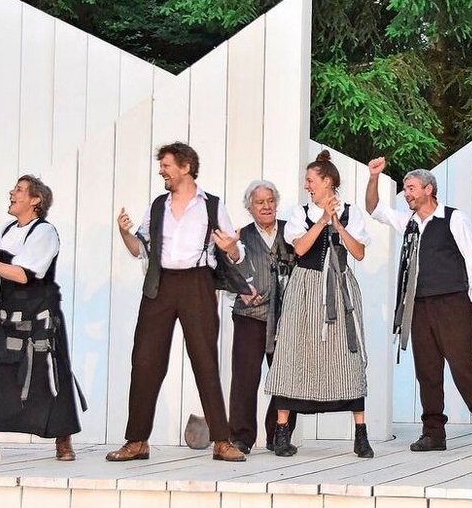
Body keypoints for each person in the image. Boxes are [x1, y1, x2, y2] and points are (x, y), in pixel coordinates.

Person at [109, 142, 247, 463]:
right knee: (145, 362)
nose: (162, 171)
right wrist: (124, 232)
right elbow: (137, 249)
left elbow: (235, 253)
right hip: (160, 283)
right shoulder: (158, 205)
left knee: (204, 361)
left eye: (167, 165)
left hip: (197, 283)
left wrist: (230, 247)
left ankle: (221, 440)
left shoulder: (211, 205)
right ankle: (137, 440)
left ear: (185, 167)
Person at [365, 157, 472, 453]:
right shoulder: (409, 222)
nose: (407, 193)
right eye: (405, 189)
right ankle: (433, 433)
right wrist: (374, 177)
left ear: (429, 189)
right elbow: (375, 208)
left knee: (463, 365)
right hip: (419, 304)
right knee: (427, 369)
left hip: (452, 302)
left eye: (411, 188)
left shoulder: (453, 218)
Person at [0, 176, 83, 463]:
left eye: (19, 190)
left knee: (49, 376)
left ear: (36, 200)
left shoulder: (45, 233)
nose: (12, 192)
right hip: (8, 314)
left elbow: (23, 274)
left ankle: (63, 441)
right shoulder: (9, 230)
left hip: (38, 318)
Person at [267, 153, 374, 458]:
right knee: (294, 352)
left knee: (346, 354)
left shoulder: (352, 214)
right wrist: (323, 220)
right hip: (306, 287)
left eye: (311, 180)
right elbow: (299, 249)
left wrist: (337, 224)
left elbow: (359, 252)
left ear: (327, 181)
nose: (307, 186)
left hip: (338, 287)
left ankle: (361, 434)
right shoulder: (300, 213)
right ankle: (283, 432)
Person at [228, 180, 297, 454]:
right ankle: (241, 438)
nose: (266, 206)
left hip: (285, 317)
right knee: (245, 378)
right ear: (250, 207)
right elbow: (223, 269)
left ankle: (279, 435)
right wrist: (239, 288)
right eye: (260, 202)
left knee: (286, 378)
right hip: (249, 316)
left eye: (270, 201)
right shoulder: (240, 235)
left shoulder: (291, 232)